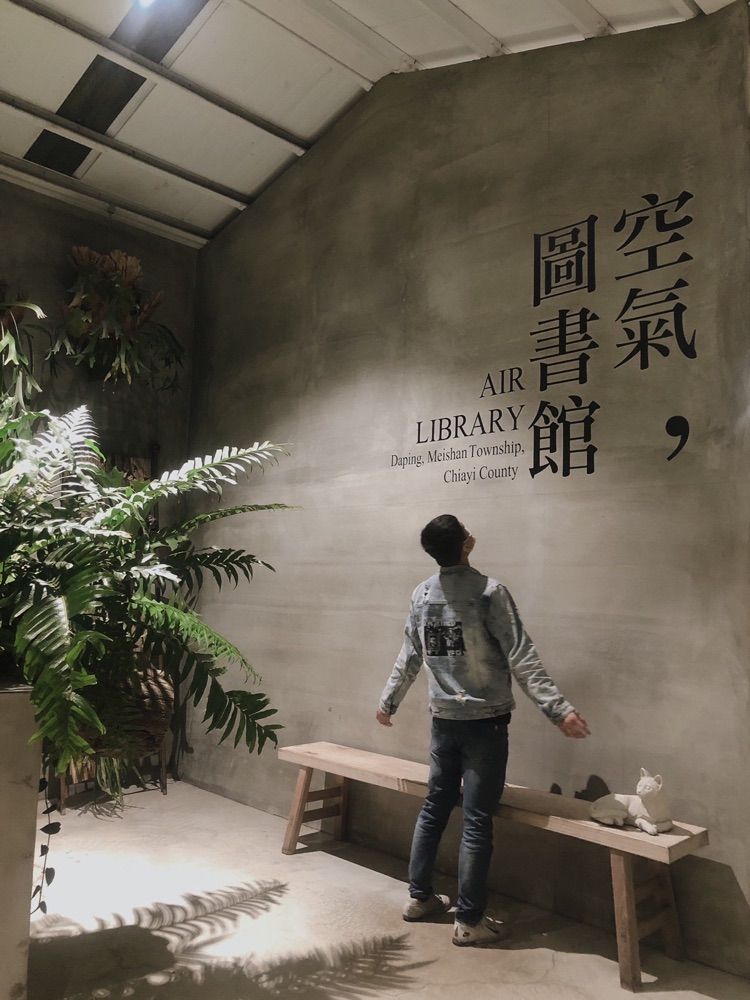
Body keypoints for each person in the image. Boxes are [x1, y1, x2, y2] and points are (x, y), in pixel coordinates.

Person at [376, 514, 590, 947]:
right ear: (466, 544)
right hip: (485, 725)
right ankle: (469, 920)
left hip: (443, 721)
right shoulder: (490, 592)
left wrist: (388, 701)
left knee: (434, 807)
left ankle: (419, 898)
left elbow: (409, 654)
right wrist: (558, 710)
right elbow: (522, 655)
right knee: (476, 820)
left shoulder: (422, 594)